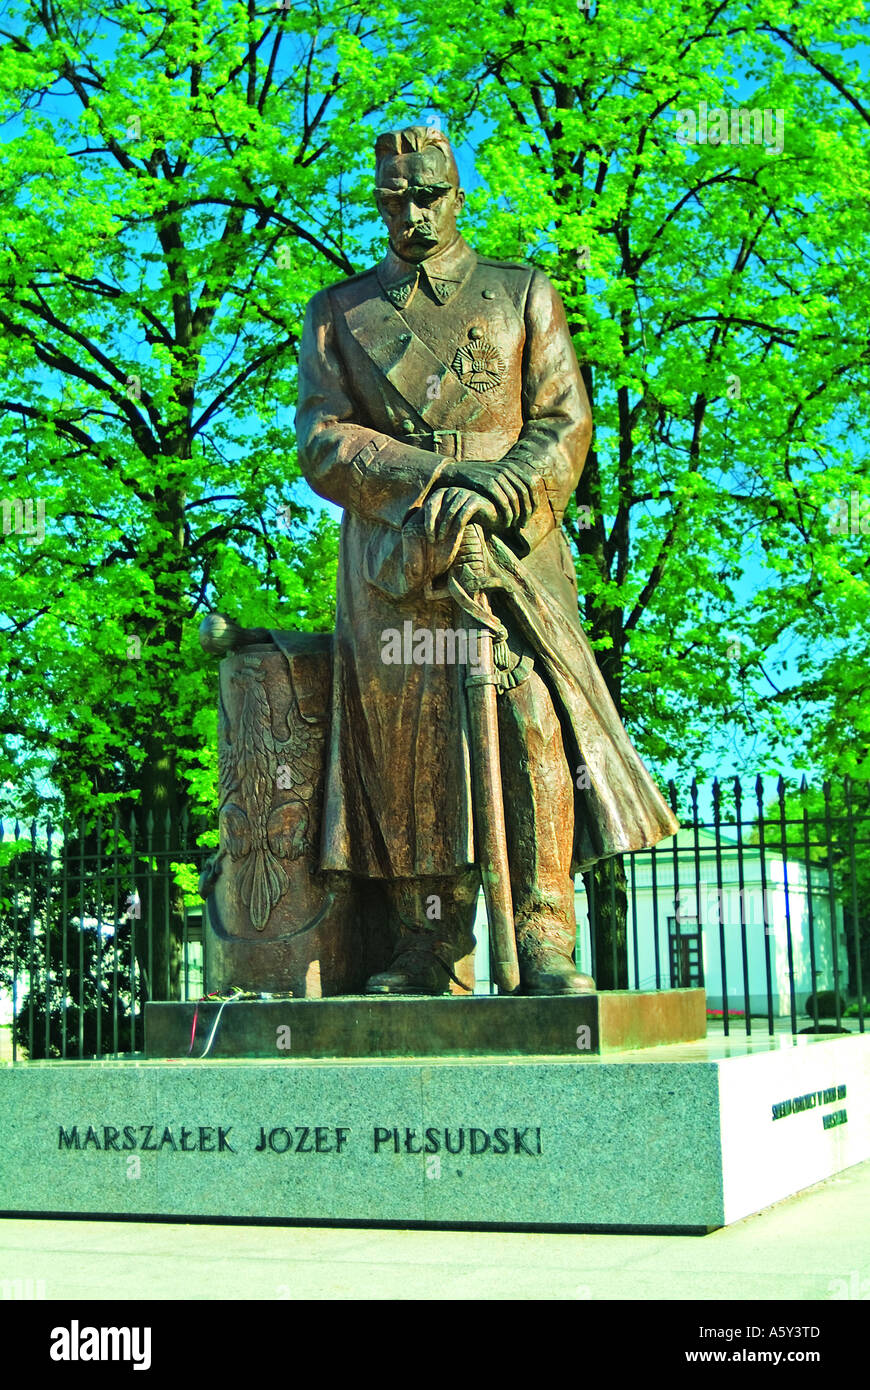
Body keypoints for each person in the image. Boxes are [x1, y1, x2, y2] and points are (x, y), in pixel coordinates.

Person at [295, 125, 677, 995]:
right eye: (395, 198)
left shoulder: (518, 293)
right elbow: (321, 439)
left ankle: (544, 937)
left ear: (458, 196)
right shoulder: (338, 311)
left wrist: (500, 491)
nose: (414, 213)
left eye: (429, 194)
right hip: (397, 553)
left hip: (512, 546)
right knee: (410, 747)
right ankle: (430, 947)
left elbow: (564, 419)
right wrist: (435, 480)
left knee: (531, 724)